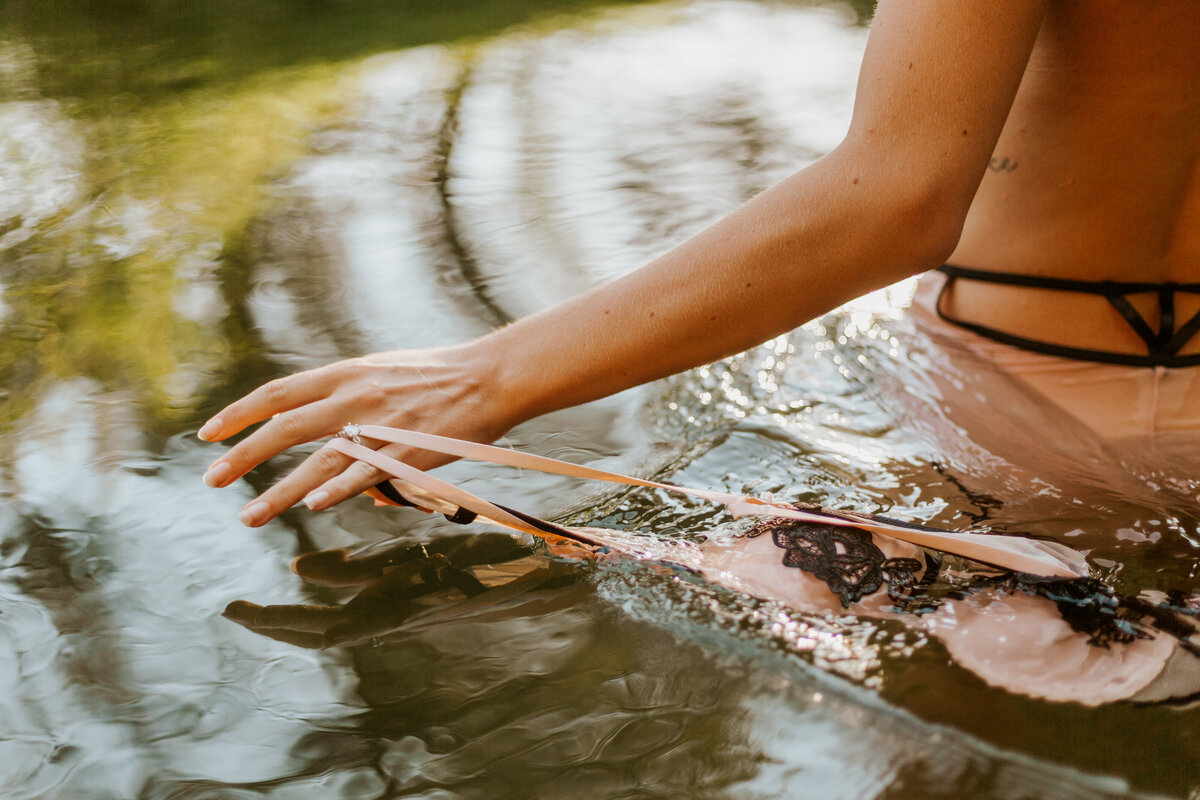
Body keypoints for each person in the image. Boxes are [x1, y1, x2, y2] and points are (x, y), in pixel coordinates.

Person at [200, 0, 1200, 700]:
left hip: (991, 390)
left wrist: (492, 373)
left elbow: (900, 198)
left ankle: (975, 592)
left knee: (807, 583)